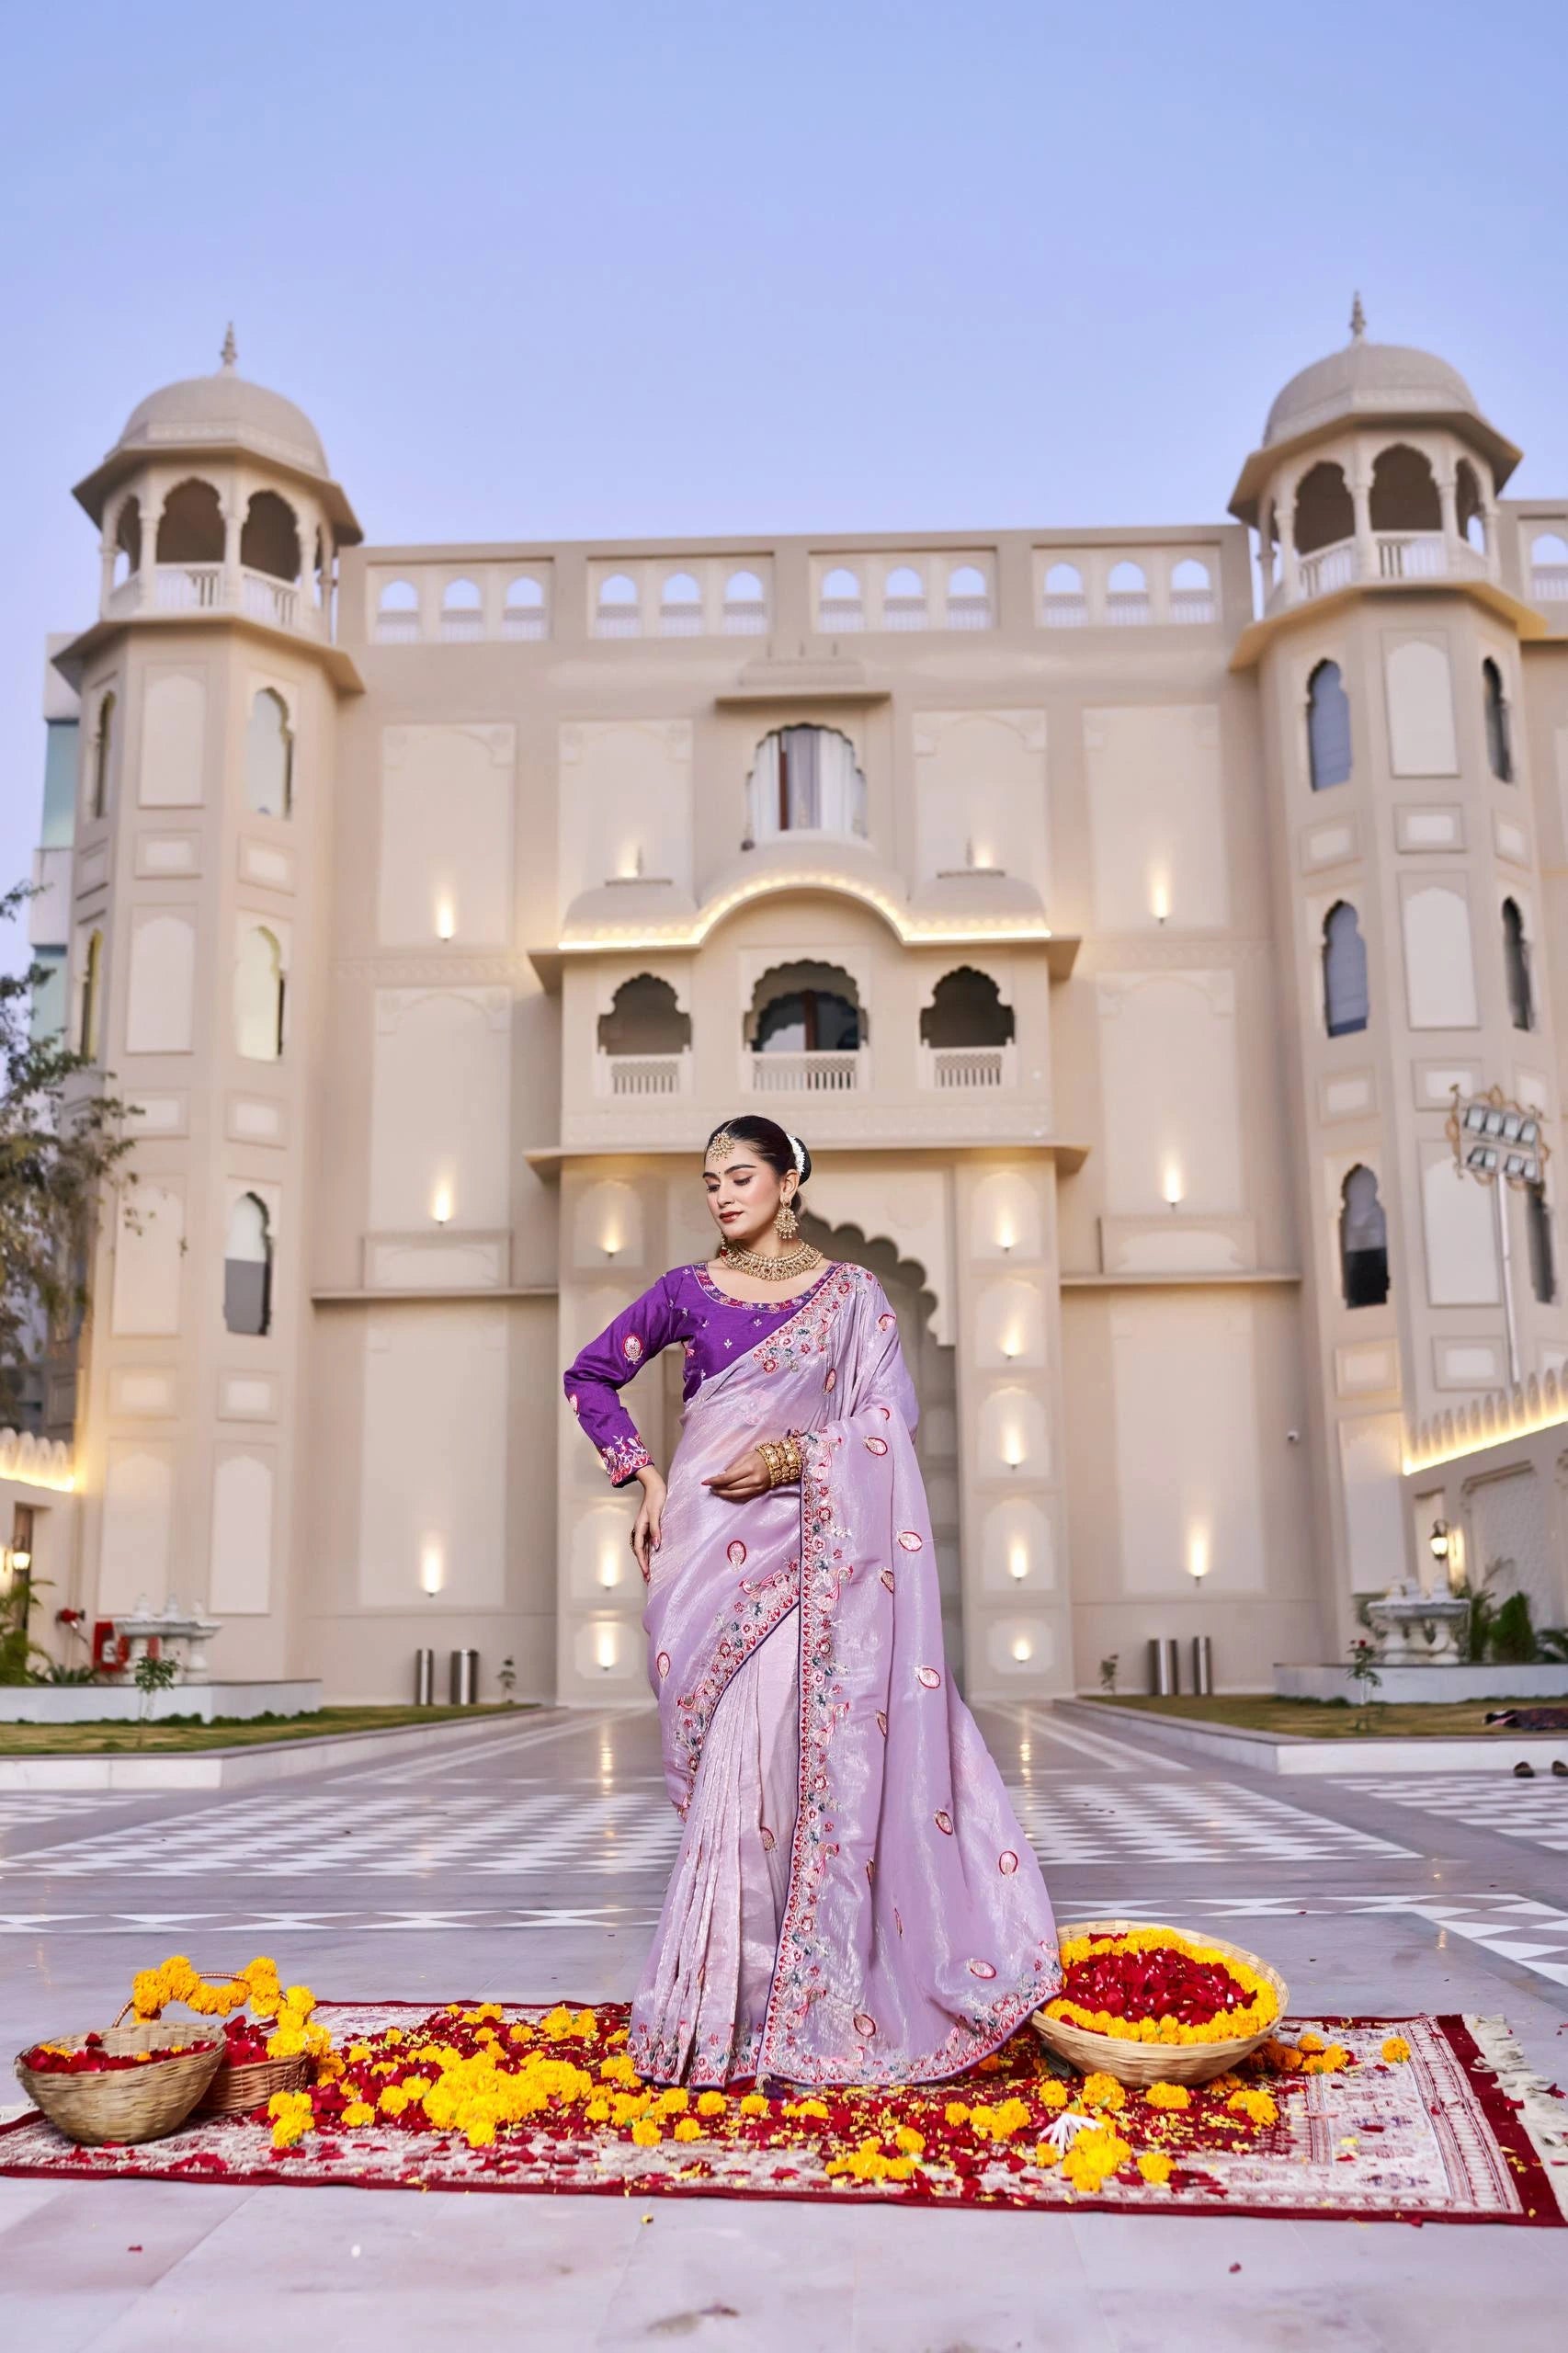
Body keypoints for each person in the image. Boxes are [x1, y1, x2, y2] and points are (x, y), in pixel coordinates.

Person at [562, 1114, 1059, 2088]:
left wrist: (796, 1457)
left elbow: (886, 1419)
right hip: (704, 1554)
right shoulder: (682, 1293)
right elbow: (590, 1375)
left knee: (800, 1763)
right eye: (709, 1180)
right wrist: (646, 1476)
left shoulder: (850, 1297)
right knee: (729, 1780)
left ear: (788, 1183)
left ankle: (793, 1993)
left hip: (811, 1552)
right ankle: (723, 2004)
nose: (720, 1193)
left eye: (739, 1175)